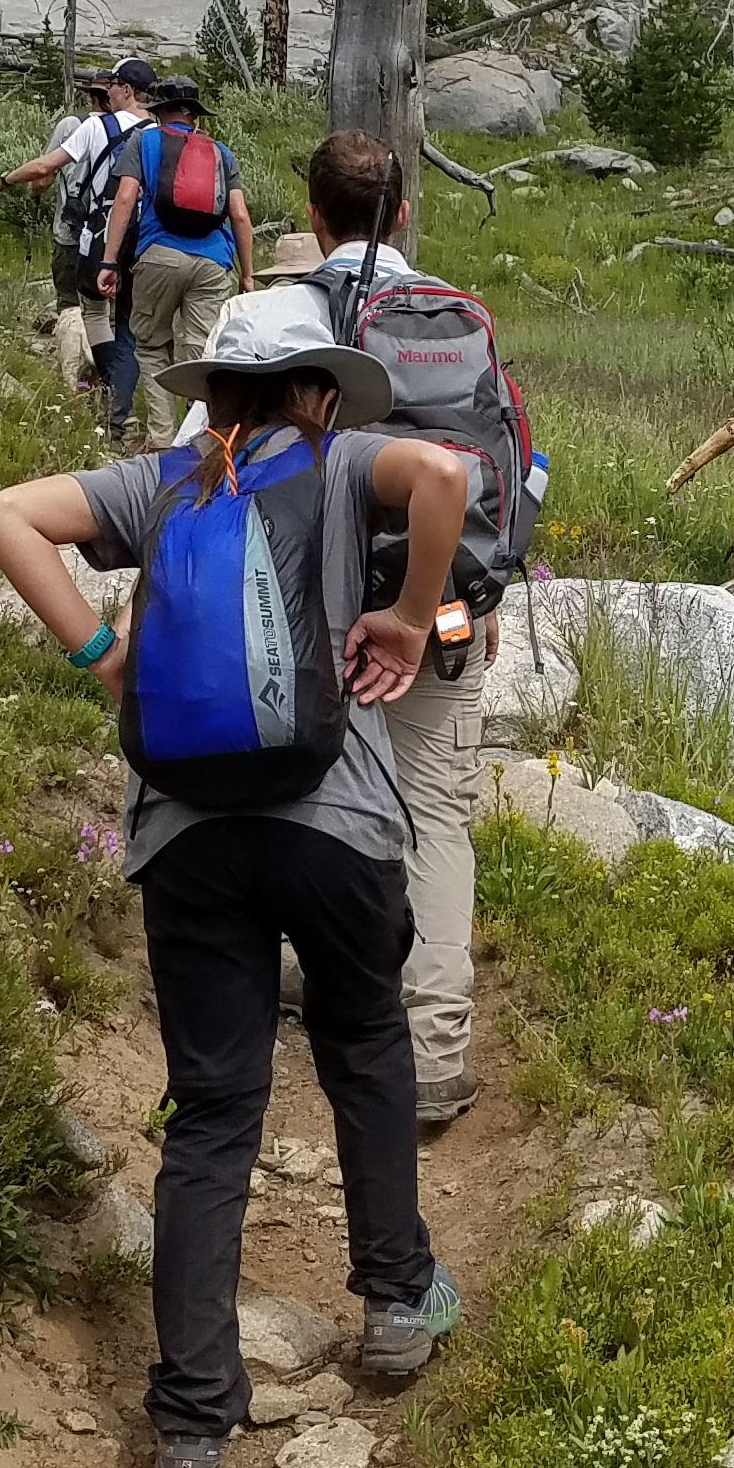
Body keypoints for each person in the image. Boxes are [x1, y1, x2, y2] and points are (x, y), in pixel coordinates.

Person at [0, 289, 469, 1468]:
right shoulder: (348, 459)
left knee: (210, 1116)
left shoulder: (160, 484)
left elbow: (4, 515)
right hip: (336, 826)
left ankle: (193, 1421)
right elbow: (448, 475)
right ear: (316, 384)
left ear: (216, 391)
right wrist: (408, 621)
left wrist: (104, 657)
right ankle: (397, 1300)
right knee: (363, 1043)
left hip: (186, 842)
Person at [292, 130, 524, 1132]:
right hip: (443, 608)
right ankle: (433, 1050)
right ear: (400, 216)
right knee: (437, 814)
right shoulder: (462, 318)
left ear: (312, 218)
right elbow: (516, 464)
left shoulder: (287, 316)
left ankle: (312, 975)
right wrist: (479, 597)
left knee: (299, 795)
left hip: (322, 610)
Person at [0, 55, 154, 426]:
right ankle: (121, 409)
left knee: (91, 310)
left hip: (101, 236)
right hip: (146, 241)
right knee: (127, 326)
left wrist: (3, 180)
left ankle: (104, 383)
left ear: (124, 89)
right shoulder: (158, 130)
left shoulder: (96, 127)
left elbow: (46, 167)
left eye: (113, 86)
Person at [97, 74, 255, 434]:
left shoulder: (144, 141)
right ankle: (202, 439)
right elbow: (240, 215)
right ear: (194, 116)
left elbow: (124, 199)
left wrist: (109, 262)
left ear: (159, 111)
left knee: (152, 346)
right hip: (215, 262)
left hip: (159, 256)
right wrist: (247, 275)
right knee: (204, 355)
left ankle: (163, 441)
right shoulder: (220, 151)